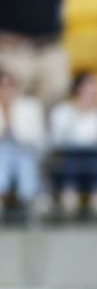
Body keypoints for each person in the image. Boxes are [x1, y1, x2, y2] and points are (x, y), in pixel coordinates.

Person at [48, 73, 97, 219]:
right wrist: (78, 113)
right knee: (69, 164)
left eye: (96, 88)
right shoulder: (62, 111)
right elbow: (57, 141)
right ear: (77, 90)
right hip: (71, 159)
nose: (94, 92)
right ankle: (68, 207)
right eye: (88, 87)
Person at [0, 67, 47, 220]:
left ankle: (27, 198)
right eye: (2, 85)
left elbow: (38, 136)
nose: (6, 89)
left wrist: (16, 130)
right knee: (4, 153)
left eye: (9, 85)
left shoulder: (30, 106)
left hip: (25, 150)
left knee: (24, 159)